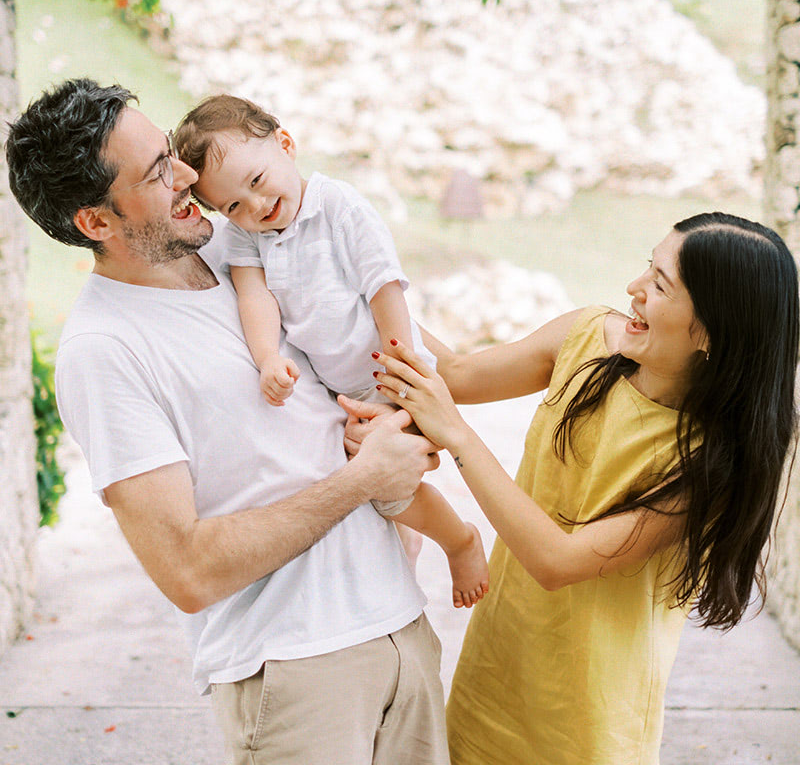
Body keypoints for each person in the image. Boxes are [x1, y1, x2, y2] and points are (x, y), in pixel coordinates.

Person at [5, 78, 452, 765]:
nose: (189, 175)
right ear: (96, 222)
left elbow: (398, 348)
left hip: (401, 626)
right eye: (158, 171)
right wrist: (365, 478)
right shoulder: (104, 353)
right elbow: (186, 571)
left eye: (169, 152)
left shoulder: (239, 243)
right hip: (296, 673)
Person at [355, 213, 799, 764]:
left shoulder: (710, 464)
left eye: (660, 285)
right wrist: (356, 282)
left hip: (589, 723)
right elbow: (457, 374)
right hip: (497, 669)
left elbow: (557, 561)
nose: (634, 289)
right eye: (647, 267)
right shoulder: (586, 335)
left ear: (710, 331)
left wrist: (456, 434)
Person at [172, 94, 489, 608]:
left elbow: (384, 285)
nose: (254, 207)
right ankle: (408, 546)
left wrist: (399, 371)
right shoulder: (248, 238)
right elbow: (255, 298)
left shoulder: (336, 207)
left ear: (286, 145)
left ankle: (460, 540)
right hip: (348, 389)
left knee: (389, 479)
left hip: (396, 369)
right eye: (233, 206)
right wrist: (267, 359)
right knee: (379, 483)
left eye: (256, 182)